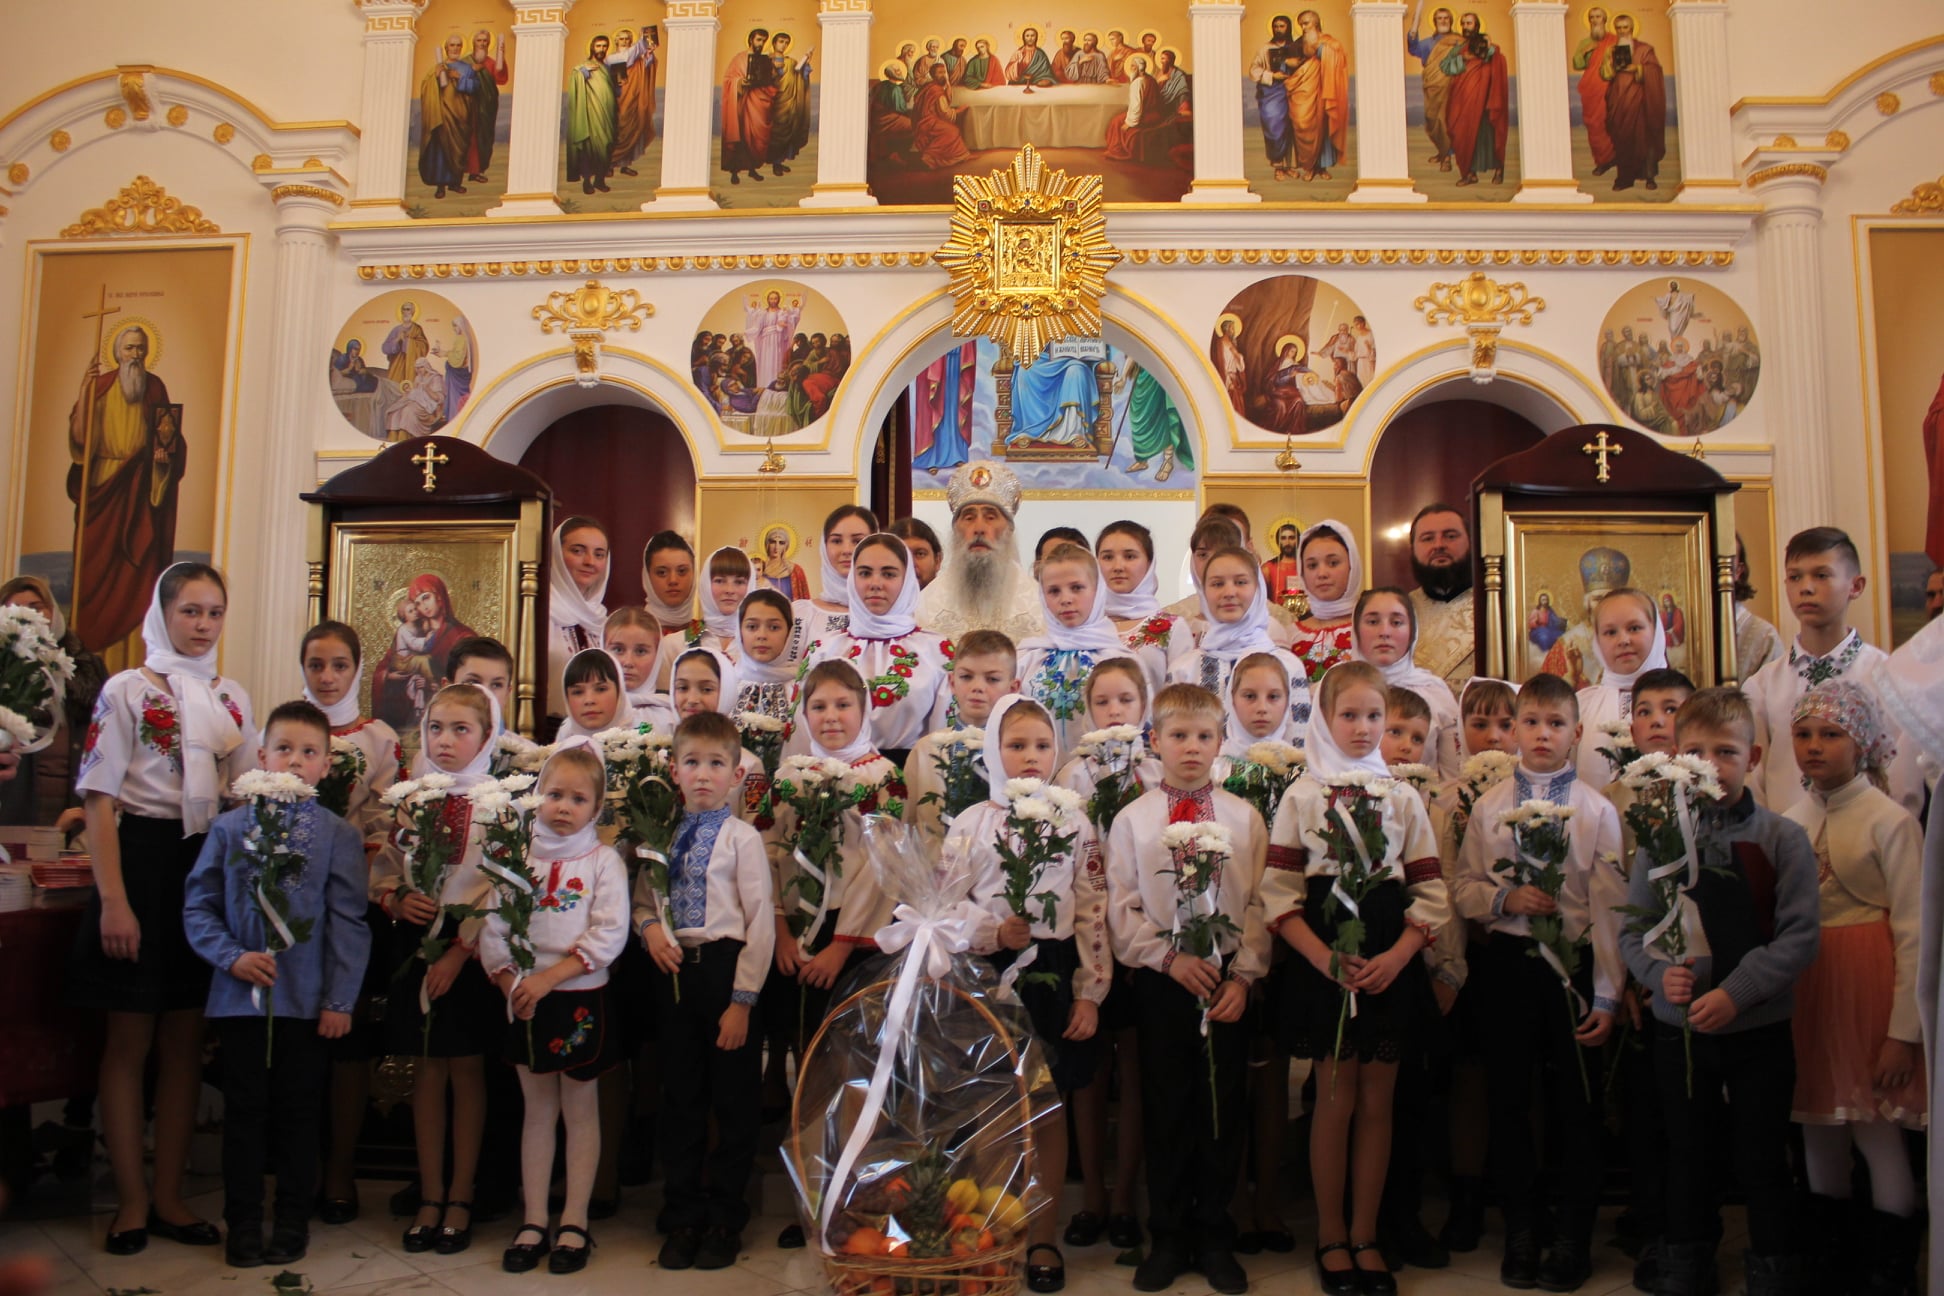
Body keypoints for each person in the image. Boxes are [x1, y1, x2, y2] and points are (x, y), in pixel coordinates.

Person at [71, 564, 252, 1255]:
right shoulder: (125, 691)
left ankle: (171, 1196)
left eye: (214, 612)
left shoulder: (231, 698)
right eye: (190, 611)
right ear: (164, 613)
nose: (203, 625)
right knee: (129, 1041)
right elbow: (98, 801)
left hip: (203, 865)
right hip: (139, 862)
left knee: (184, 1039)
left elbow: (246, 790)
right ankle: (131, 1200)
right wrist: (114, 902)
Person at [1618, 689, 1820, 1296]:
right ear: (1677, 757)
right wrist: (1658, 975)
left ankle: (1773, 1262)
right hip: (1680, 1028)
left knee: (1761, 1153)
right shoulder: (1660, 839)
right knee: (1688, 1148)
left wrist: (1739, 992)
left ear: (1752, 757)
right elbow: (1635, 930)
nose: (1712, 764)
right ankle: (1687, 1253)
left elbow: (1799, 936)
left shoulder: (1783, 838)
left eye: (1727, 752)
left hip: (1758, 1028)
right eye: (1697, 752)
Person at [1264, 660, 1448, 1296]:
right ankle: (1331, 1235)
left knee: (1377, 1103)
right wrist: (1322, 958)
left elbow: (1429, 892)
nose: (1364, 728)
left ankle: (1367, 1234)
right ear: (1324, 718)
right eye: (1350, 715)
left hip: (1388, 959)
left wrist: (1399, 956)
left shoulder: (1401, 796)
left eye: (1375, 716)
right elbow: (1279, 894)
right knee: (1334, 1100)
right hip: (1326, 960)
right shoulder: (1302, 795)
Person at [181, 700, 368, 1268]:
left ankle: (291, 1218)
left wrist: (339, 1000)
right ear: (261, 757)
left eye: (309, 752)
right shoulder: (229, 828)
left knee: (299, 1113)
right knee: (243, 1112)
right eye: (283, 749)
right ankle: (242, 1221)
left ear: (325, 766)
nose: (294, 761)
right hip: (241, 1001)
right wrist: (232, 957)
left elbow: (348, 923)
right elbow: (199, 906)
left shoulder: (337, 835)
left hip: (306, 1004)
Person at [1453, 673, 1624, 1291]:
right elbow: (1464, 886)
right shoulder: (1490, 805)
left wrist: (1607, 993)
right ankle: (1522, 1228)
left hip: (1573, 965)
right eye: (1531, 722)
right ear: (1515, 731)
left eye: (1556, 724)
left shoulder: (1597, 810)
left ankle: (1572, 1234)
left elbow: (1609, 910)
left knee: (1575, 1103)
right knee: (1508, 1098)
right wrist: (1505, 899)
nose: (1543, 735)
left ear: (1576, 734)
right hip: (1509, 964)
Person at [1105, 683, 1268, 1294]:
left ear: (1222, 742)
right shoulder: (1134, 819)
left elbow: (1260, 902)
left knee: (1221, 1106)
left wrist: (1244, 975)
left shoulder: (1244, 817)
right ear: (1155, 741)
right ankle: (1169, 1234)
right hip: (1164, 982)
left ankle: (1215, 1233)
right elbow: (1121, 906)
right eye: (1178, 735)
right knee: (1167, 1104)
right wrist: (1167, 958)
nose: (1191, 747)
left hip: (1226, 982)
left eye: (1204, 736)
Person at [960, 694, 1107, 1292]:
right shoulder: (973, 822)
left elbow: (1092, 910)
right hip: (988, 971)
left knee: (1048, 1107)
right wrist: (992, 931)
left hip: (1053, 969)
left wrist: (1090, 991)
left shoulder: (1073, 821)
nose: (1030, 757)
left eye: (1042, 746)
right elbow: (946, 902)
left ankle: (1044, 1234)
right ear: (994, 750)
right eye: (1016, 745)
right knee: (992, 1107)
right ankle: (991, 1232)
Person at [1782, 683, 1926, 1292]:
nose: (1814, 746)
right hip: (1810, 991)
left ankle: (1889, 1267)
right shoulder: (1790, 822)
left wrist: (1903, 1033)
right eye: (1804, 734)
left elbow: (1915, 931)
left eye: (1831, 734)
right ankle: (1830, 1258)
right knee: (1817, 1121)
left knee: (1875, 1126)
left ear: (1862, 741)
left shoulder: (1890, 822)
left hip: (1869, 992)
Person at [484, 741, 628, 1275]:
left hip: (576, 996)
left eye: (578, 799)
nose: (564, 807)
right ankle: (533, 1218)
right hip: (524, 999)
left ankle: (574, 1219)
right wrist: (512, 985)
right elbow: (494, 929)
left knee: (580, 1109)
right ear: (536, 796)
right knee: (537, 1110)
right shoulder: (516, 858)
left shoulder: (603, 862)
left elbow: (608, 934)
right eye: (554, 795)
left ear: (597, 808)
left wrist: (549, 978)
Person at [640, 711, 776, 1268]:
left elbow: (760, 921)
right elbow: (645, 899)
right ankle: (682, 1214)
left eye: (715, 764)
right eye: (691, 763)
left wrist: (742, 1001)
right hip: (675, 973)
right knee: (682, 1097)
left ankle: (724, 1216)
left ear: (736, 775)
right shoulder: (661, 834)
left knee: (734, 1100)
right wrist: (650, 929)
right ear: (674, 770)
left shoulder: (743, 839)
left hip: (726, 973)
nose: (702, 775)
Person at [371, 684, 501, 1257]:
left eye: (461, 730)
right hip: (417, 940)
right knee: (426, 1068)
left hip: (468, 950)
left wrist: (459, 951)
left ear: (487, 736)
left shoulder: (500, 804)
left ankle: (461, 1194)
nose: (445, 741)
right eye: (436, 729)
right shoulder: (413, 799)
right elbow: (387, 867)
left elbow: (502, 886)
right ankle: (429, 1194)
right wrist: (397, 897)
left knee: (467, 1069)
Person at [295, 621, 404, 1223]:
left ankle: (340, 1170)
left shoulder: (378, 739)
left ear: (358, 669)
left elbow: (386, 821)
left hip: (351, 904)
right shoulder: (288, 731)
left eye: (339, 665)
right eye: (316, 665)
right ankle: (300, 1166)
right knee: (300, 1036)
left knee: (348, 1039)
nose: (327, 676)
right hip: (292, 907)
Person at [1745, 528, 1922, 818]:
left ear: (1856, 586)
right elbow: (1753, 778)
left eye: (1821, 575)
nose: (1806, 588)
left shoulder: (1888, 678)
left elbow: (1902, 780)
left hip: (1868, 836)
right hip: (1785, 838)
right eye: (1795, 577)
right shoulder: (1762, 686)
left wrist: (1883, 832)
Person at [67, 324, 184, 652]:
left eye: (141, 348)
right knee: (95, 569)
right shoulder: (99, 387)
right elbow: (80, 442)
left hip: (140, 492)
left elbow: (169, 435)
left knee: (137, 572)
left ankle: (135, 653)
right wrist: (83, 392)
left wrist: (163, 460)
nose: (136, 355)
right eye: (129, 348)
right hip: (102, 488)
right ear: (117, 352)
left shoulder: (154, 387)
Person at [801, 533, 951, 766]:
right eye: (864, 573)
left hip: (914, 775)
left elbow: (946, 740)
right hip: (833, 776)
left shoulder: (937, 651)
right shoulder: (822, 650)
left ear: (907, 580)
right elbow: (802, 732)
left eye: (889, 574)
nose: (875, 584)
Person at [1018, 545, 1148, 756]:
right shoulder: (1027, 659)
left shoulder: (1123, 661)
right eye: (1054, 591)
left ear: (1097, 590)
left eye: (1077, 587)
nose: (1066, 599)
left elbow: (1143, 729)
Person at [1167, 547, 1311, 734]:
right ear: (1204, 592)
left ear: (1258, 589)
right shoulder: (1184, 669)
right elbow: (1173, 736)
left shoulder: (1288, 666)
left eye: (1241, 582)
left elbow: (1299, 741)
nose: (1229, 592)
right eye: (1217, 584)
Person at [0, 574, 106, 827]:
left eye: (36, 607)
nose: (28, 616)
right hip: (15, 800)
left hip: (75, 800)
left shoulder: (87, 667)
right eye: (16, 609)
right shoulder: (5, 669)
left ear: (52, 612)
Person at [902, 630, 1019, 852]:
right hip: (934, 864)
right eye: (966, 677)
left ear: (1013, 688)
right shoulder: (926, 750)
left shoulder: (1022, 751)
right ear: (952, 682)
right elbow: (906, 825)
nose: (977, 687)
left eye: (992, 679)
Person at [918, 461, 1046, 643]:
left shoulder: (1039, 605)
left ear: (1009, 530)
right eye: (969, 518)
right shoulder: (926, 606)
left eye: (990, 517)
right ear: (955, 530)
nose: (979, 528)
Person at [1350, 588, 1462, 778]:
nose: (1384, 632)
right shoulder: (1334, 687)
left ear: (1412, 632)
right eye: (1373, 622)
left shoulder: (1435, 693)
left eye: (1396, 622)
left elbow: (1452, 778)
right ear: (1356, 630)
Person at [1571, 586, 1670, 791]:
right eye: (1610, 632)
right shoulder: (1581, 707)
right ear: (1597, 640)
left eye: (1634, 628)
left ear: (1656, 631)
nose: (1623, 640)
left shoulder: (1686, 702)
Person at [789, 505, 876, 661]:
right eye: (836, 541)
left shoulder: (892, 617)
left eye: (857, 541)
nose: (846, 550)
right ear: (824, 546)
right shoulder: (800, 614)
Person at [1406, 504, 1477, 695]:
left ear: (1471, 543)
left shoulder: (1495, 605)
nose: (1438, 545)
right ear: (1412, 549)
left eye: (1450, 536)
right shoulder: (1400, 610)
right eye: (1428, 538)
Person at [547, 517, 612, 724]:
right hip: (546, 731)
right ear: (556, 554)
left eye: (599, 554)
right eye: (578, 551)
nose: (590, 562)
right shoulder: (538, 615)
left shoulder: (603, 621)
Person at [1288, 520, 1361, 684]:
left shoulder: (1371, 629)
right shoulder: (1289, 635)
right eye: (1312, 565)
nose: (1322, 573)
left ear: (1352, 566)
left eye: (1333, 563)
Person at [1441, 12, 1508, 187]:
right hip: (1463, 101)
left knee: (1488, 136)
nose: (1465, 26)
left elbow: (1494, 59)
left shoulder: (1488, 45)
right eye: (1463, 23)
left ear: (1477, 25)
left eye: (1469, 23)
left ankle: (1499, 170)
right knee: (1462, 133)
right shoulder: (1459, 49)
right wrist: (1461, 59)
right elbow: (1445, 66)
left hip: (1485, 101)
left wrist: (1489, 47)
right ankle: (1470, 174)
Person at [1603, 14, 1666, 191]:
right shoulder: (1611, 50)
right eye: (1619, 28)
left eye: (1626, 27)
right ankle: (1624, 178)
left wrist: (1638, 69)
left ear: (1632, 28)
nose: (1622, 31)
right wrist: (1608, 63)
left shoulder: (1645, 50)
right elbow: (1606, 75)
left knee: (1645, 139)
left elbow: (1655, 70)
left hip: (1641, 102)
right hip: (1619, 100)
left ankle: (1649, 177)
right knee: (1622, 138)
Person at [1283, 11, 1348, 182]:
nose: (1303, 28)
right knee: (1303, 122)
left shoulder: (1330, 42)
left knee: (1323, 126)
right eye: (1301, 25)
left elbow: (1339, 59)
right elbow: (1289, 62)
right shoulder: (1298, 43)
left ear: (1316, 23)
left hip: (1326, 88)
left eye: (1306, 23)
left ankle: (1321, 168)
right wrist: (1288, 63)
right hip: (1304, 88)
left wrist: (1324, 50)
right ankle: (1309, 166)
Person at [417, 34, 476, 199]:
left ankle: (455, 183)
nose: (455, 48)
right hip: (442, 115)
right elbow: (425, 87)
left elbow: (475, 87)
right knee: (442, 150)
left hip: (461, 115)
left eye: (458, 45)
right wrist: (436, 77)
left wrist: (460, 78)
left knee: (459, 150)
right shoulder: (437, 68)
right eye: (452, 45)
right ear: (446, 48)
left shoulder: (467, 68)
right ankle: (440, 186)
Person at [1405, 4, 1463, 170]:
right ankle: (1442, 150)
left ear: (1450, 21)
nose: (1443, 21)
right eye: (1439, 19)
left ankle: (1446, 157)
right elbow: (1414, 49)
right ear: (1435, 22)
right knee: (1431, 120)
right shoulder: (1428, 43)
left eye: (1446, 18)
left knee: (1445, 121)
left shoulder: (1459, 41)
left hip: (1451, 87)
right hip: (1432, 87)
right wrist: (1413, 32)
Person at [642, 532, 700, 692]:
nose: (673, 580)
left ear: (694, 574)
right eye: (662, 572)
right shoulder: (633, 632)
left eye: (682, 571)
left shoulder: (703, 632)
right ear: (647, 576)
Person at [721, 29, 777, 185]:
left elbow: (769, 82)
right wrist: (739, 82)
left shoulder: (765, 60)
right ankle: (734, 172)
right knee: (740, 136)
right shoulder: (739, 59)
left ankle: (752, 169)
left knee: (753, 139)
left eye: (763, 41)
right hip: (740, 105)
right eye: (758, 40)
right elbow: (728, 79)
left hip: (757, 105)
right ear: (751, 40)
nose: (761, 43)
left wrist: (770, 74)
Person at [565, 35, 617, 195]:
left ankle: (599, 181)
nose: (601, 49)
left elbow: (613, 90)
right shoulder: (583, 66)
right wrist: (582, 72)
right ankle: (587, 182)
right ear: (592, 47)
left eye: (604, 46)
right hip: (591, 114)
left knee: (607, 146)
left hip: (607, 115)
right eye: (598, 46)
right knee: (589, 149)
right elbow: (575, 78)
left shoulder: (607, 68)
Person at [606, 26, 658, 178]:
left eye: (628, 39)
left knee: (632, 129)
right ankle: (609, 164)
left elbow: (647, 67)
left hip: (634, 98)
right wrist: (643, 40)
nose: (625, 41)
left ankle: (625, 165)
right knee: (617, 129)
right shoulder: (611, 58)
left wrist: (648, 55)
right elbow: (626, 58)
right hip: (618, 99)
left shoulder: (637, 59)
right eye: (621, 39)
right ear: (616, 41)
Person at [1570, 7, 1617, 175]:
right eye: (1591, 17)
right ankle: (1602, 160)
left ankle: (1617, 157)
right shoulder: (1585, 43)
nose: (1595, 20)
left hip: (1612, 88)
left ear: (1604, 20)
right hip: (1592, 89)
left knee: (1613, 121)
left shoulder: (1615, 41)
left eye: (1598, 17)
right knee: (1594, 124)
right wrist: (1584, 52)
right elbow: (1578, 64)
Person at [466, 29, 510, 182]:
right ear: (473, 42)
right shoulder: (465, 62)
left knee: (484, 139)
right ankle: (468, 171)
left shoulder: (491, 63)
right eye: (479, 40)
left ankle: (477, 171)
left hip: (486, 109)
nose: (482, 43)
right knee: (469, 139)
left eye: (485, 41)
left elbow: (501, 79)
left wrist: (501, 58)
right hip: (468, 108)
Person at [911, 63, 970, 169]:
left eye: (944, 72)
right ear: (933, 75)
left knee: (951, 130)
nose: (943, 75)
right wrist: (959, 110)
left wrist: (948, 85)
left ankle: (955, 157)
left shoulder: (930, 86)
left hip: (924, 120)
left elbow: (944, 103)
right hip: (928, 122)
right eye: (940, 73)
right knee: (952, 131)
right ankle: (928, 157)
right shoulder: (936, 90)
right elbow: (945, 113)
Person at [888, 517, 942, 589]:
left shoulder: (952, 595)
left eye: (920, 554)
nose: (911, 563)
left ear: (937, 560)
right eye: (902, 555)